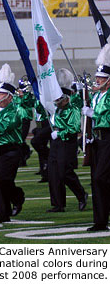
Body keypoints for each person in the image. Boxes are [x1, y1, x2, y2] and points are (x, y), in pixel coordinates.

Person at [0, 63, 25, 223]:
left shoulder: (14, 110)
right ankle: (3, 214)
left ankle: (17, 197)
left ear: (10, 96)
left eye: (2, 94)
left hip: (10, 150)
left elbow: (3, 127)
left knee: (1, 179)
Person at [47, 68, 88, 213]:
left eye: (60, 99)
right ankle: (58, 203)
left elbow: (74, 128)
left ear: (66, 98)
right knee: (52, 172)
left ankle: (81, 195)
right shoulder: (58, 109)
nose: (57, 102)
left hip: (67, 143)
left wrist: (60, 133)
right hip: (56, 143)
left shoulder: (73, 109)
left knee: (65, 173)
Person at [82, 43, 110, 232]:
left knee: (102, 177)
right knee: (96, 179)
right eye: (98, 77)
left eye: (102, 78)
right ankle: (100, 220)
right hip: (97, 141)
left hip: (109, 138)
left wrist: (93, 114)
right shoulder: (96, 97)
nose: (98, 81)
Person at [14, 76, 34, 166]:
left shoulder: (30, 95)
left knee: (20, 139)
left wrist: (23, 94)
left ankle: (22, 159)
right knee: (18, 139)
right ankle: (25, 152)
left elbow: (26, 102)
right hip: (17, 119)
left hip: (25, 118)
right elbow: (15, 100)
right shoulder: (17, 94)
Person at [31, 99, 51, 182]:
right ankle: (44, 171)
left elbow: (42, 110)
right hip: (39, 124)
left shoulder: (45, 97)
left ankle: (49, 157)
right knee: (40, 148)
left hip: (46, 122)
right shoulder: (37, 98)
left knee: (36, 142)